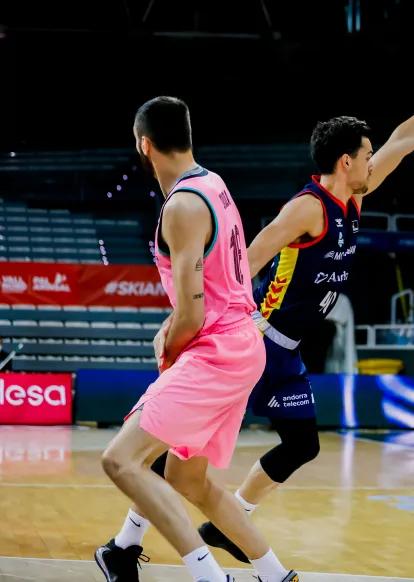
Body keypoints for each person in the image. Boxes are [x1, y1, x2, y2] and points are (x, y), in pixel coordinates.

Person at [106, 49, 414, 569]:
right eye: (367, 155)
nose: (374, 161)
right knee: (178, 446)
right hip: (258, 338)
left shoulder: (354, 200)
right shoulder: (307, 208)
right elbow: (246, 257)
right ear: (347, 161)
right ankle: (136, 542)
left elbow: (404, 143)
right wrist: (210, 312)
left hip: (287, 347)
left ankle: (206, 527)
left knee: (289, 445)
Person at [96, 97, 297, 582]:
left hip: (217, 350)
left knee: (120, 461)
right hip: (241, 342)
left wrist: (169, 343)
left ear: (144, 145)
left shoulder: (182, 206)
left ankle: (209, 578)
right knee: (188, 478)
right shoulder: (213, 183)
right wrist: (178, 324)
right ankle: (276, 576)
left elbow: (192, 311)